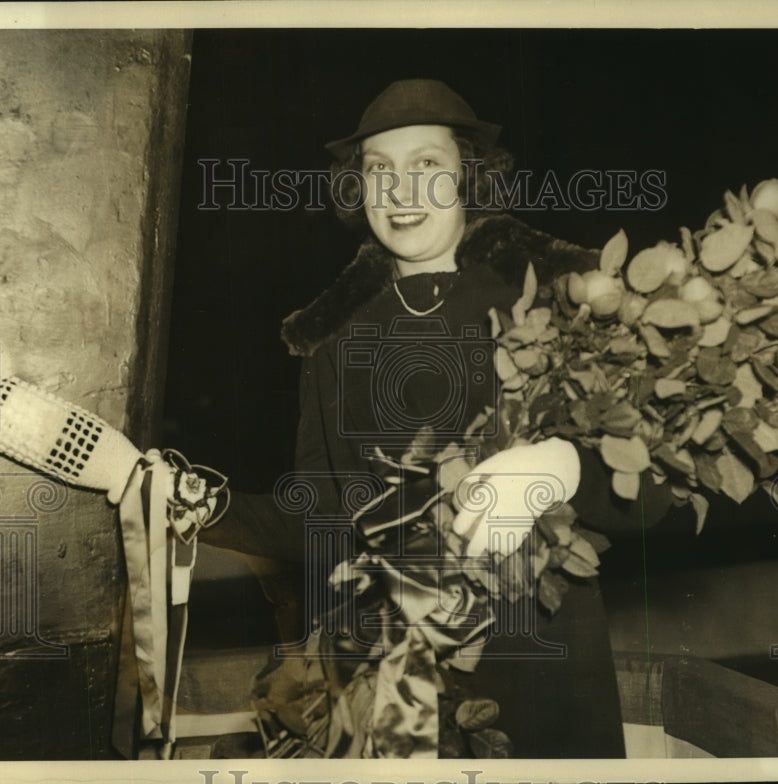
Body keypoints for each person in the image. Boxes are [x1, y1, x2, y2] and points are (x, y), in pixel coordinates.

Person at [202, 79, 674, 758]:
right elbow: (323, 516)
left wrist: (564, 466)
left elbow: (657, 495)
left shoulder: (561, 301)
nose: (399, 193)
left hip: (537, 676)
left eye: (426, 166)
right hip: (386, 680)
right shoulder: (332, 336)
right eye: (379, 171)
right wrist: (192, 501)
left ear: (469, 179)